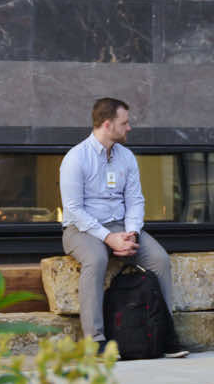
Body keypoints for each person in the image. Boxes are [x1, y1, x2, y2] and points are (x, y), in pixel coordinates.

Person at [58, 97, 185, 358]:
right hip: (81, 230)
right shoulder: (75, 158)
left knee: (160, 259)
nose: (129, 128)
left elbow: (136, 200)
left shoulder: (126, 157)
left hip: (122, 226)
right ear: (107, 124)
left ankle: (165, 335)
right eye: (124, 123)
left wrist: (132, 233)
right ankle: (95, 340)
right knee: (95, 259)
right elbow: (74, 210)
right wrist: (108, 238)